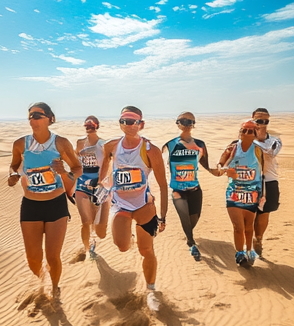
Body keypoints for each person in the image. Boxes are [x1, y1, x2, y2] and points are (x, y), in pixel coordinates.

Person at [8, 101, 81, 304]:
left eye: (38, 115)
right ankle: (41, 279)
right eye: (30, 116)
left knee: (52, 256)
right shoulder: (20, 144)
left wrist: (65, 173)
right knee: (33, 258)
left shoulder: (61, 144)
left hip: (55, 204)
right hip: (31, 205)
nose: (33, 119)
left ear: (50, 118)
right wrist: (13, 175)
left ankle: (55, 289)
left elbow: (77, 169)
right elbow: (14, 166)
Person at [99, 106, 168, 315]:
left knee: (146, 250)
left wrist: (162, 216)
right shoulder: (111, 146)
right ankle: (128, 232)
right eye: (123, 120)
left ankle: (151, 290)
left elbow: (164, 186)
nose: (128, 124)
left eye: (132, 121)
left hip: (144, 206)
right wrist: (101, 186)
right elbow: (103, 172)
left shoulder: (151, 150)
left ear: (141, 124)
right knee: (121, 246)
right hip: (120, 204)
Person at [163, 111, 211, 261]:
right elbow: (158, 165)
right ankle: (191, 243)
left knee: (194, 219)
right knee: (184, 217)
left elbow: (206, 165)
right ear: (177, 123)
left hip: (195, 189)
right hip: (178, 190)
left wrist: (223, 171)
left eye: (190, 121)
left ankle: (189, 234)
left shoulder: (200, 144)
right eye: (183, 120)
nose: (186, 124)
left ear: (193, 125)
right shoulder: (169, 145)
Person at [217, 120, 265, 267]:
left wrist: (263, 194)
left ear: (255, 134)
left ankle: (249, 250)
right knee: (238, 227)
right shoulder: (232, 148)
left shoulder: (258, 151)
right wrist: (225, 170)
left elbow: (262, 173)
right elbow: (220, 165)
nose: (246, 133)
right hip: (234, 192)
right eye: (244, 130)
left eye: (250, 131)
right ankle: (239, 253)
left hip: (252, 193)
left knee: (249, 226)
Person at [74, 114, 112, 260]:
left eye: (92, 125)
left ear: (97, 126)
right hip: (82, 183)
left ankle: (93, 239)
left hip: (99, 184)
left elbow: (110, 164)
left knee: (96, 221)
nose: (89, 127)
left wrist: (105, 182)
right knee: (85, 221)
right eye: (87, 125)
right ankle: (87, 249)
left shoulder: (103, 144)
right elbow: (75, 160)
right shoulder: (79, 143)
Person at [251, 108, 283, 260]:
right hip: (248, 181)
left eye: (266, 121)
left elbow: (270, 152)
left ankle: (259, 240)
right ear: (253, 119)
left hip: (269, 181)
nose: (262, 124)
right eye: (259, 121)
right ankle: (248, 241)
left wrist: (253, 140)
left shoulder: (275, 141)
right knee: (249, 213)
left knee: (264, 213)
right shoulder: (245, 138)